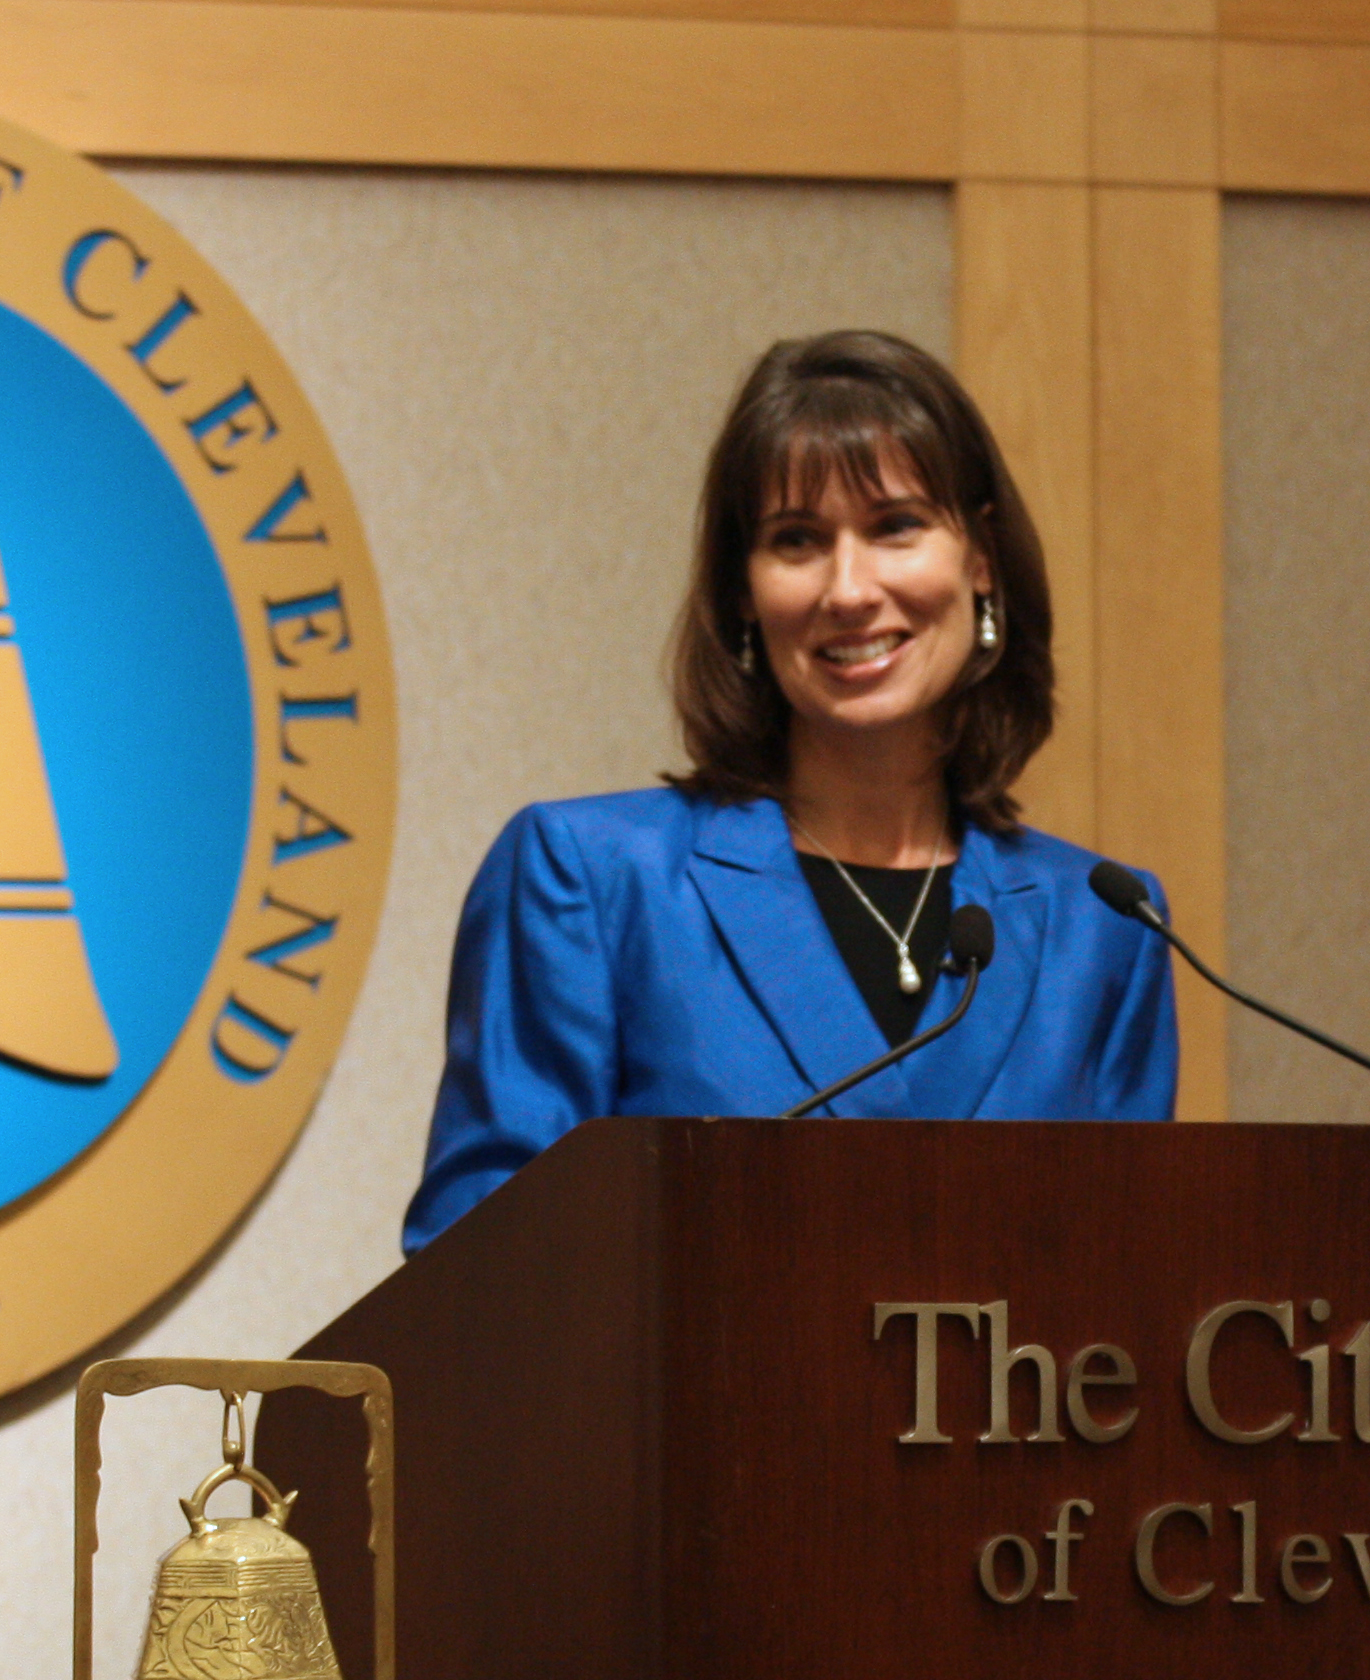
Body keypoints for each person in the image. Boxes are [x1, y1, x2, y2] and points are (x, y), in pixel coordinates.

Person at [401, 330, 1176, 1251]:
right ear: (742, 593)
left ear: (980, 561)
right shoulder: (592, 881)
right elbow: (477, 1274)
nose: (849, 589)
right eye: (797, 541)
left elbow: (1132, 1293)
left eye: (894, 526)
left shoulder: (1104, 928)